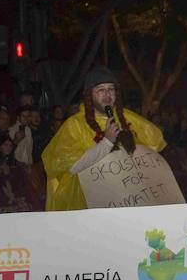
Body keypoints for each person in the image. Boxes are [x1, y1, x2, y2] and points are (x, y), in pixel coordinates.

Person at [41, 67, 166, 211]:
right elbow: (71, 167)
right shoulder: (74, 125)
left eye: (110, 89)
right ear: (89, 95)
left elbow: (152, 148)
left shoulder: (128, 118)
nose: (107, 95)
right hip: (90, 203)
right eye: (101, 90)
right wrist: (107, 142)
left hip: (127, 200)